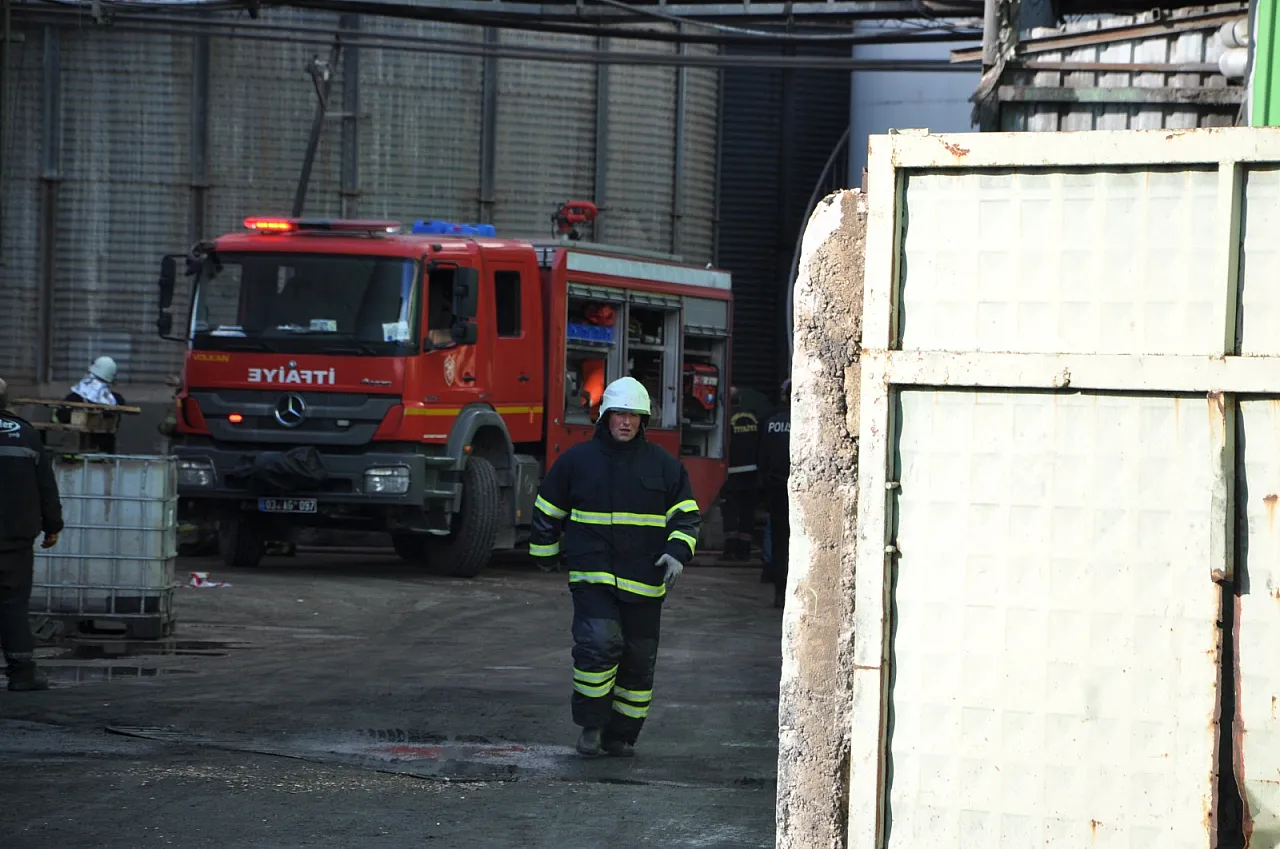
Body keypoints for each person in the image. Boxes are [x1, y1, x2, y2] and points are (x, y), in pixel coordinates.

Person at [529, 376, 701, 758]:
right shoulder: (577, 461)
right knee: (599, 645)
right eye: (619, 413)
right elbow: (547, 507)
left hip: (645, 582)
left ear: (644, 420)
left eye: (634, 415)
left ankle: (620, 735)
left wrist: (677, 552)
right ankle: (591, 726)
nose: (626, 422)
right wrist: (544, 552)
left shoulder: (665, 466)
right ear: (604, 416)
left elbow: (686, 517)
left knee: (639, 664)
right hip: (593, 577)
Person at [0, 377, 64, 691]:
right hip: (13, 539)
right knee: (12, 604)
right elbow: (45, 487)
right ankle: (22, 674)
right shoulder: (25, 434)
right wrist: (53, 526)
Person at [757, 378, 792, 609]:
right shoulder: (806, 421)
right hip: (798, 490)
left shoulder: (770, 421)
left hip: (775, 490)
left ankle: (780, 591)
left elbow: (761, 458)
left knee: (779, 543)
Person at [56, 356, 126, 453]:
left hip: (74, 456)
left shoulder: (74, 398)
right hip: (104, 457)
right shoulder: (116, 400)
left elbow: (60, 417)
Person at [722, 387, 761, 562]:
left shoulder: (726, 419)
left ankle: (730, 549)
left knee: (731, 510)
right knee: (748, 511)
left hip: (732, 471)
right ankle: (744, 550)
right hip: (752, 471)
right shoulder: (753, 418)